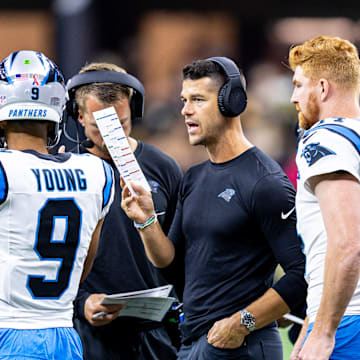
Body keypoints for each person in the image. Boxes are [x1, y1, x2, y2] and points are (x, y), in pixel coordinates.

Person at [121, 56, 307, 359]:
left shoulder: (265, 182)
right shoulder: (193, 177)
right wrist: (146, 221)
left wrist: (242, 323)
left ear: (231, 102)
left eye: (197, 100)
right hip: (194, 343)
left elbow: (301, 275)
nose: (185, 110)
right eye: (183, 100)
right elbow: (171, 265)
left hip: (241, 346)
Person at [0, 50, 115, 359]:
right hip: (64, 335)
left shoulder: (4, 170)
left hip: (8, 334)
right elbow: (84, 266)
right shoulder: (98, 173)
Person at [67, 62, 182, 359]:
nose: (110, 135)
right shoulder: (67, 171)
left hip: (154, 332)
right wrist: (81, 303)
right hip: (87, 332)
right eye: (99, 126)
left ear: (134, 110)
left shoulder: (163, 167)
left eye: (119, 123)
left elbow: (181, 252)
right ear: (79, 117)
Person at [289, 35, 360, 360]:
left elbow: (348, 243)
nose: (293, 97)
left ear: (322, 87)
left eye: (299, 85)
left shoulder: (325, 136)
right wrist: (309, 326)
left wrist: (324, 331)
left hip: (347, 322)